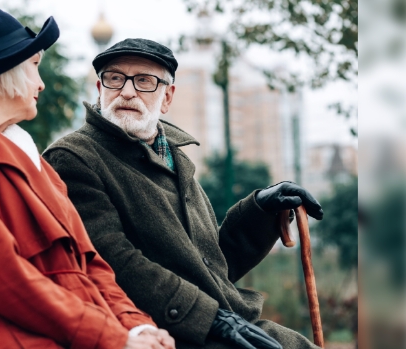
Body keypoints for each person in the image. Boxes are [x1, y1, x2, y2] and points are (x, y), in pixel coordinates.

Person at [0, 11, 175, 349]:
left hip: (72, 330)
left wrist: (135, 328)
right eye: (34, 65)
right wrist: (112, 339)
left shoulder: (34, 161)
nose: (41, 83)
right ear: (3, 70)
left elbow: (91, 264)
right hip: (3, 335)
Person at [43, 38, 324, 349]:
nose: (126, 90)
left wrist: (259, 210)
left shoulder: (174, 157)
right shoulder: (73, 157)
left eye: (144, 81)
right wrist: (210, 319)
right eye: (115, 78)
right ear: (100, 89)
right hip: (162, 332)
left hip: (224, 322)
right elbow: (113, 262)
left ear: (167, 97)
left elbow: (210, 267)